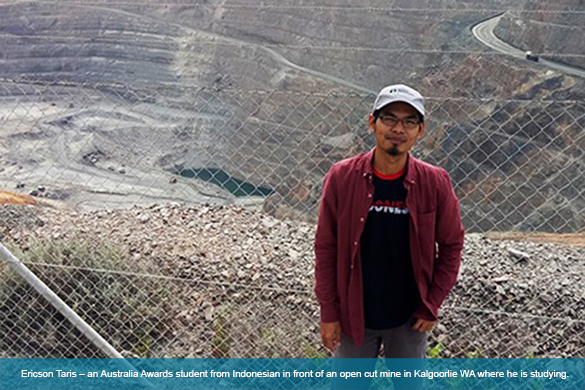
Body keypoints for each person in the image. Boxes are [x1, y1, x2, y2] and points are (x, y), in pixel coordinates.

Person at [314, 84, 464, 388]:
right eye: (389, 119)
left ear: (420, 131)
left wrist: (432, 303)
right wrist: (329, 311)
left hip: (410, 319)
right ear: (373, 123)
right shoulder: (342, 177)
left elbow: (451, 245)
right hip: (354, 317)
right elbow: (326, 247)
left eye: (409, 121)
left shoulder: (435, 183)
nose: (399, 129)